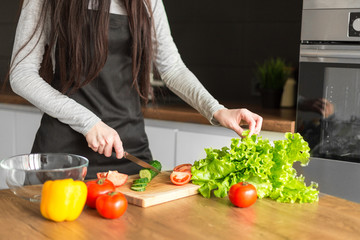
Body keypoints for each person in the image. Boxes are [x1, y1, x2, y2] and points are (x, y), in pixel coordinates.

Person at [9, 0, 263, 178]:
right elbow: (21, 75)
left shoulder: (147, 1)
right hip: (63, 156)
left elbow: (172, 68)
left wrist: (217, 110)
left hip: (127, 151)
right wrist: (89, 123)